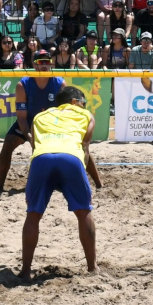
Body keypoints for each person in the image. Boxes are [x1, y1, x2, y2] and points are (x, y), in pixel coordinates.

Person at [20, 86, 103, 280]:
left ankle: (25, 271)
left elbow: (35, 145)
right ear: (75, 102)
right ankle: (92, 268)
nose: (84, 105)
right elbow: (84, 147)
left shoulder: (40, 116)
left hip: (41, 158)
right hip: (71, 158)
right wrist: (81, 177)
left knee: (33, 215)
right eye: (83, 102)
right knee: (83, 212)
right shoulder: (85, 114)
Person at [0, 50, 63, 193]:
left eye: (47, 62)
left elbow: (63, 114)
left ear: (51, 63)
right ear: (34, 64)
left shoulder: (59, 83)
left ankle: (50, 183)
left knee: (51, 152)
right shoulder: (23, 84)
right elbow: (21, 117)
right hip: (28, 121)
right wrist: (29, 136)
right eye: (40, 62)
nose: (44, 65)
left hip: (49, 124)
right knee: (7, 145)